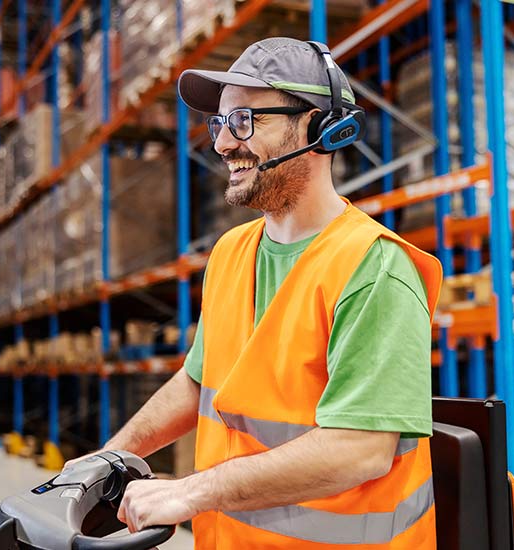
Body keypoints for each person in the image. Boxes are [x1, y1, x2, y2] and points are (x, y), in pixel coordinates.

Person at [66, 37, 443, 549]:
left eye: (245, 120)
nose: (223, 145)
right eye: (219, 124)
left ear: (319, 126)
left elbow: (360, 449)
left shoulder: (373, 268)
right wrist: (109, 458)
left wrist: (194, 491)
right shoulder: (231, 252)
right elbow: (198, 383)